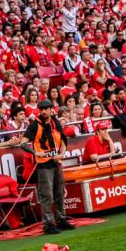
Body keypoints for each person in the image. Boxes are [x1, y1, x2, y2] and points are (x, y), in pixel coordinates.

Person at [22, 99, 74, 235]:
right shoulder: (34, 125)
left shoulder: (55, 122)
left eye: (46, 109)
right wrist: (35, 152)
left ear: (51, 109)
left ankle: (61, 219)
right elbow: (23, 143)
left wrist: (61, 154)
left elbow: (63, 140)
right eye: (41, 109)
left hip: (56, 161)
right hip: (43, 164)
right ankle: (48, 223)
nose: (43, 111)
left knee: (60, 192)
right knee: (47, 194)